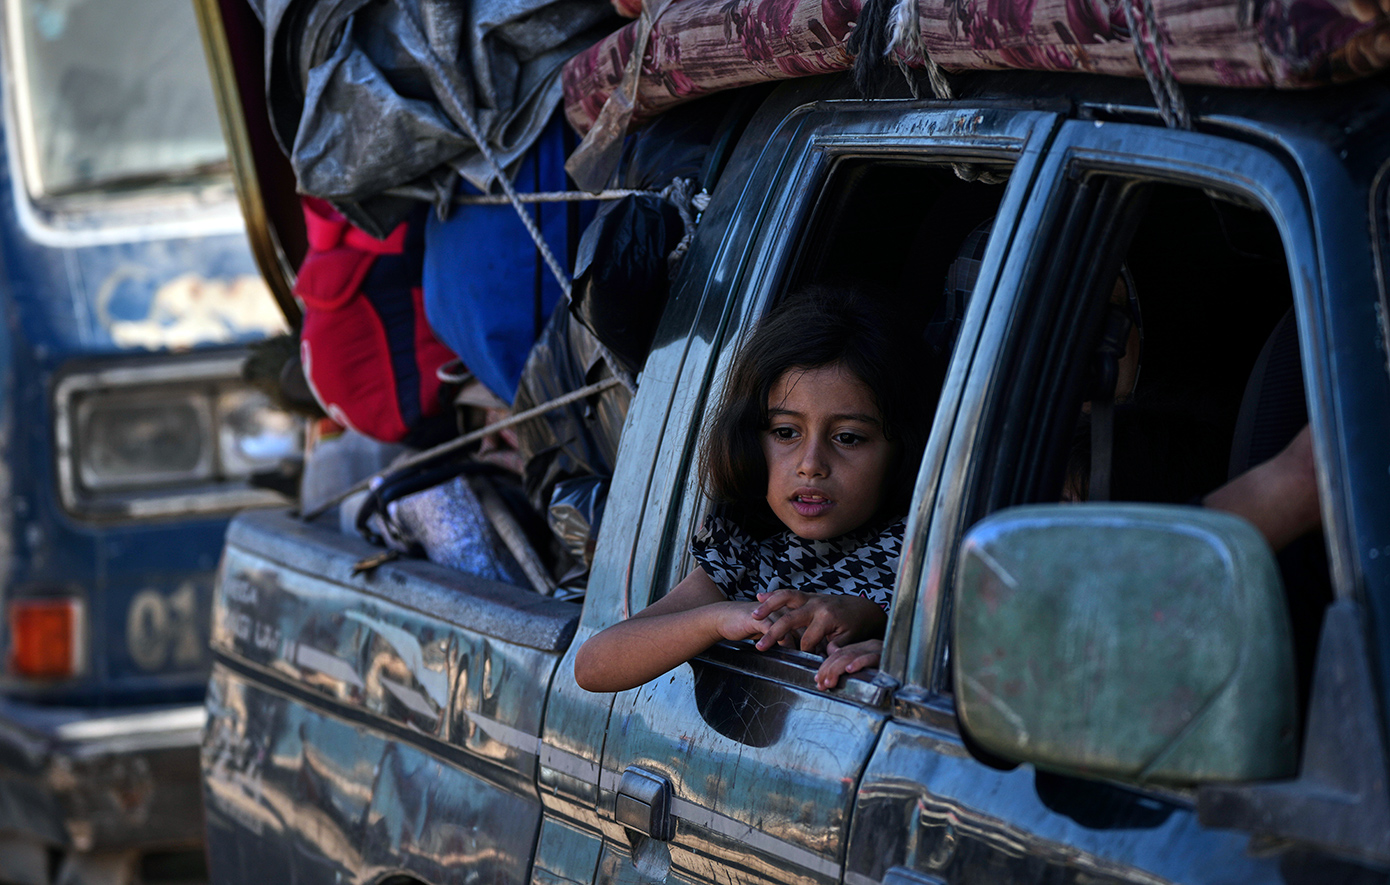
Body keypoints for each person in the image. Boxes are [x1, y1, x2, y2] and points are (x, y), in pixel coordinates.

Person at [573, 285, 931, 693]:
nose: (811, 464)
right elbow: (594, 665)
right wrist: (719, 618)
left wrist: (891, 644)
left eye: (848, 438)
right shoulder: (749, 556)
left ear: (901, 448)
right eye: (785, 432)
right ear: (751, 439)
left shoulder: (925, 555)